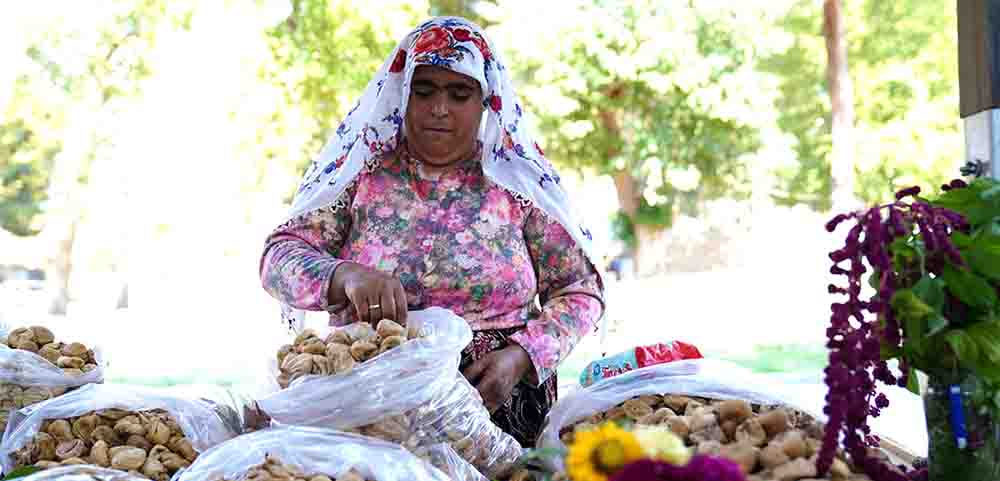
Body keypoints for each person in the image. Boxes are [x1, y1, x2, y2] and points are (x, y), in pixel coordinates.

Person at [259, 17, 604, 446]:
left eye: (459, 94)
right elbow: (279, 257)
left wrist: (521, 357)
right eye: (424, 92)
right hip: (371, 408)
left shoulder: (517, 184)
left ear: (485, 101)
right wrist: (345, 276)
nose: (439, 108)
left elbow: (581, 289)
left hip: (493, 406)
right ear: (402, 95)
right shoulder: (363, 174)